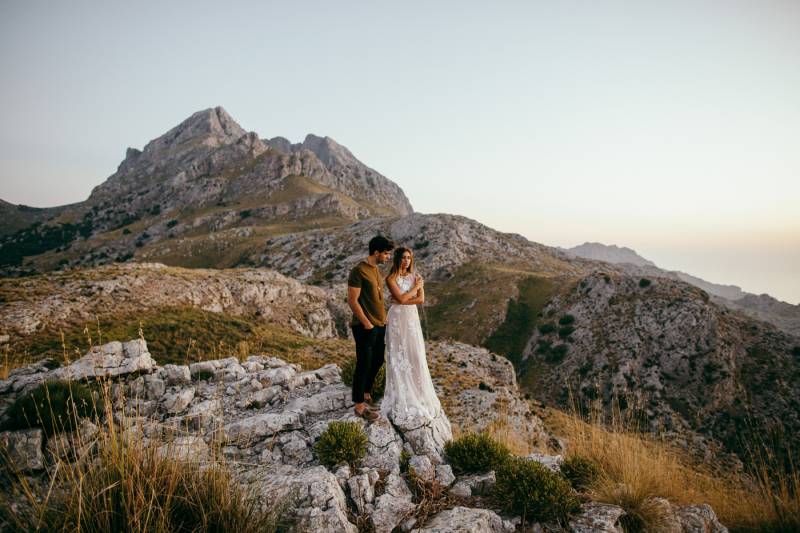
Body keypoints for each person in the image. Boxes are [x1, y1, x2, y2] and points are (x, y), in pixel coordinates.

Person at [381, 246, 443, 426]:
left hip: (411, 319)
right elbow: (400, 300)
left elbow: (420, 300)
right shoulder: (391, 278)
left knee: (415, 356)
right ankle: (401, 395)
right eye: (403, 257)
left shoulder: (415, 276)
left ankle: (418, 394)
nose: (406, 261)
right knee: (399, 356)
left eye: (409, 258)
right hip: (396, 319)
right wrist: (413, 290)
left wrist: (406, 297)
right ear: (397, 259)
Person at [347, 235, 394, 421]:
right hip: (365, 326)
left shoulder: (375, 269)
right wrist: (366, 323)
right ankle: (359, 406)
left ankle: (366, 392)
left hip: (379, 324)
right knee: (363, 364)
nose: (388, 257)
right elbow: (352, 301)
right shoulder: (358, 271)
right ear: (376, 252)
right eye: (386, 253)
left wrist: (383, 319)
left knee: (377, 361)